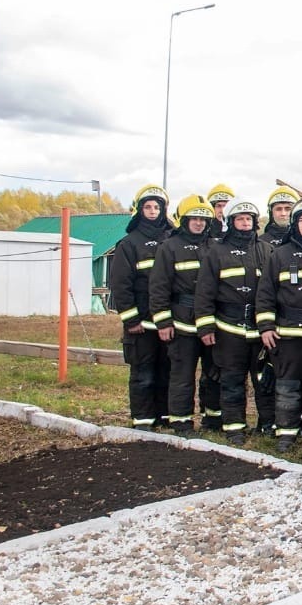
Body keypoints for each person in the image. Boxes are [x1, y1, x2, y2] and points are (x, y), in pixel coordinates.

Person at [195, 198, 273, 445]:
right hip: (228, 327)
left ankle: (266, 425)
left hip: (259, 328)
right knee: (232, 380)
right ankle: (235, 427)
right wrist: (206, 326)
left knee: (263, 380)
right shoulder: (216, 252)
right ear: (231, 222)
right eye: (240, 219)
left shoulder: (266, 249)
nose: (245, 223)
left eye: (249, 219)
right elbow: (205, 292)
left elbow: (272, 289)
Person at [257, 199, 302, 453]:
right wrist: (266, 326)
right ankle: (285, 433)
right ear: (294, 224)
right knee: (287, 384)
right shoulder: (279, 254)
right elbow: (265, 293)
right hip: (286, 334)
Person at [149, 195, 219, 433]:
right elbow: (158, 287)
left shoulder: (215, 246)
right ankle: (181, 420)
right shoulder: (170, 247)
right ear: (184, 220)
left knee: (213, 374)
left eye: (203, 219)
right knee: (182, 375)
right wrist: (163, 321)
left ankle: (213, 419)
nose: (199, 223)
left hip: (211, 323)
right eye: (194, 218)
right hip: (181, 323)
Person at [111, 184, 174, 430]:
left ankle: (165, 415)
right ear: (139, 210)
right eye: (147, 206)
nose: (152, 211)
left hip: (168, 322)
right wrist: (131, 320)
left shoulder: (172, 240)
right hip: (142, 323)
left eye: (156, 207)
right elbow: (120, 285)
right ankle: (143, 419)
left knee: (167, 371)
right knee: (143, 373)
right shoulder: (129, 244)